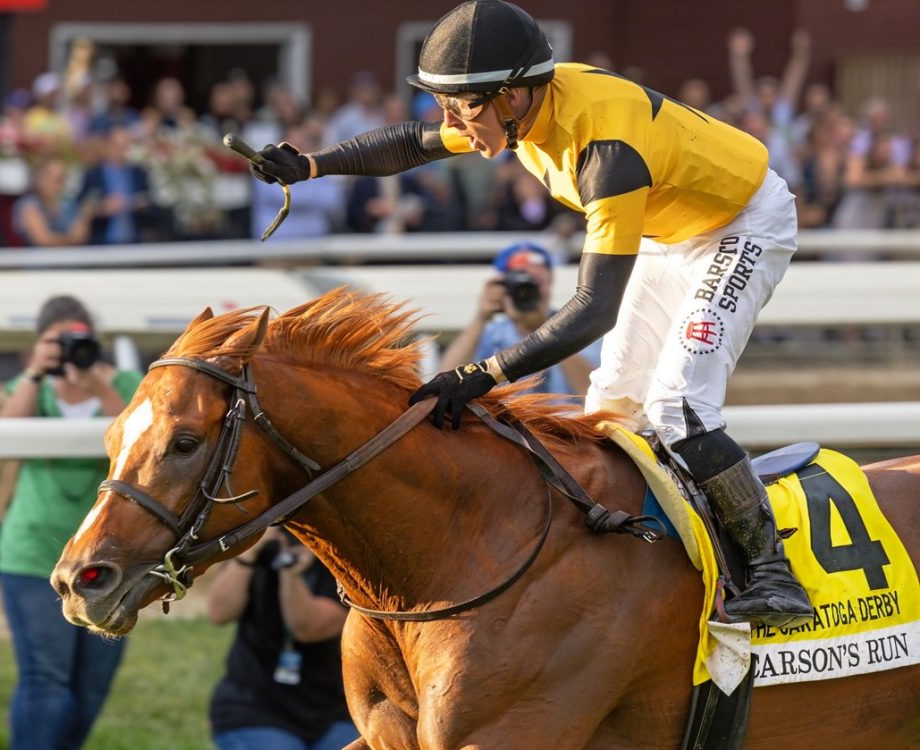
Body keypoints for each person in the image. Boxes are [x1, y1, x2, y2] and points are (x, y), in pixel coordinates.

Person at [249, 0, 814, 629]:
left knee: (679, 406)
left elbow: (591, 311)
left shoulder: (605, 147)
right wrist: (312, 165)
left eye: (459, 106)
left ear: (514, 97)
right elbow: (412, 144)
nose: (449, 121)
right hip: (671, 227)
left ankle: (773, 574)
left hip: (742, 225)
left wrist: (479, 375)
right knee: (612, 407)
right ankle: (642, 557)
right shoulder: (516, 104)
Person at [0, 295, 142, 750]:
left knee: (90, 685)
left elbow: (138, 444)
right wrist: (36, 372)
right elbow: (4, 437)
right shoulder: (30, 385)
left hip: (106, 555)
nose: (70, 350)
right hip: (32, 552)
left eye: (79, 340)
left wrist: (98, 385)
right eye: (58, 342)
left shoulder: (127, 382)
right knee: (45, 679)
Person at [207, 528, 359, 750]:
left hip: (334, 711)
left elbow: (307, 628)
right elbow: (219, 613)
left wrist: (290, 572)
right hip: (254, 709)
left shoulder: (341, 561)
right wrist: (248, 554)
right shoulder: (261, 550)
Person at [438, 242, 600, 400]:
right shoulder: (491, 334)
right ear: (502, 287)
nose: (527, 290)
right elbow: (447, 383)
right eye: (519, 283)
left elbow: (595, 392)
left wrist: (547, 332)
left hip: (570, 422)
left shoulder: (578, 327)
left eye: (535, 281)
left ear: (550, 281)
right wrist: (481, 317)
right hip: (507, 425)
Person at [12, 157, 96, 247]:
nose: (58, 184)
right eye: (53, 178)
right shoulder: (28, 205)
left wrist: (84, 216)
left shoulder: (69, 204)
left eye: (61, 178)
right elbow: (43, 240)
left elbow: (81, 237)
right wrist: (70, 239)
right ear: (39, 178)